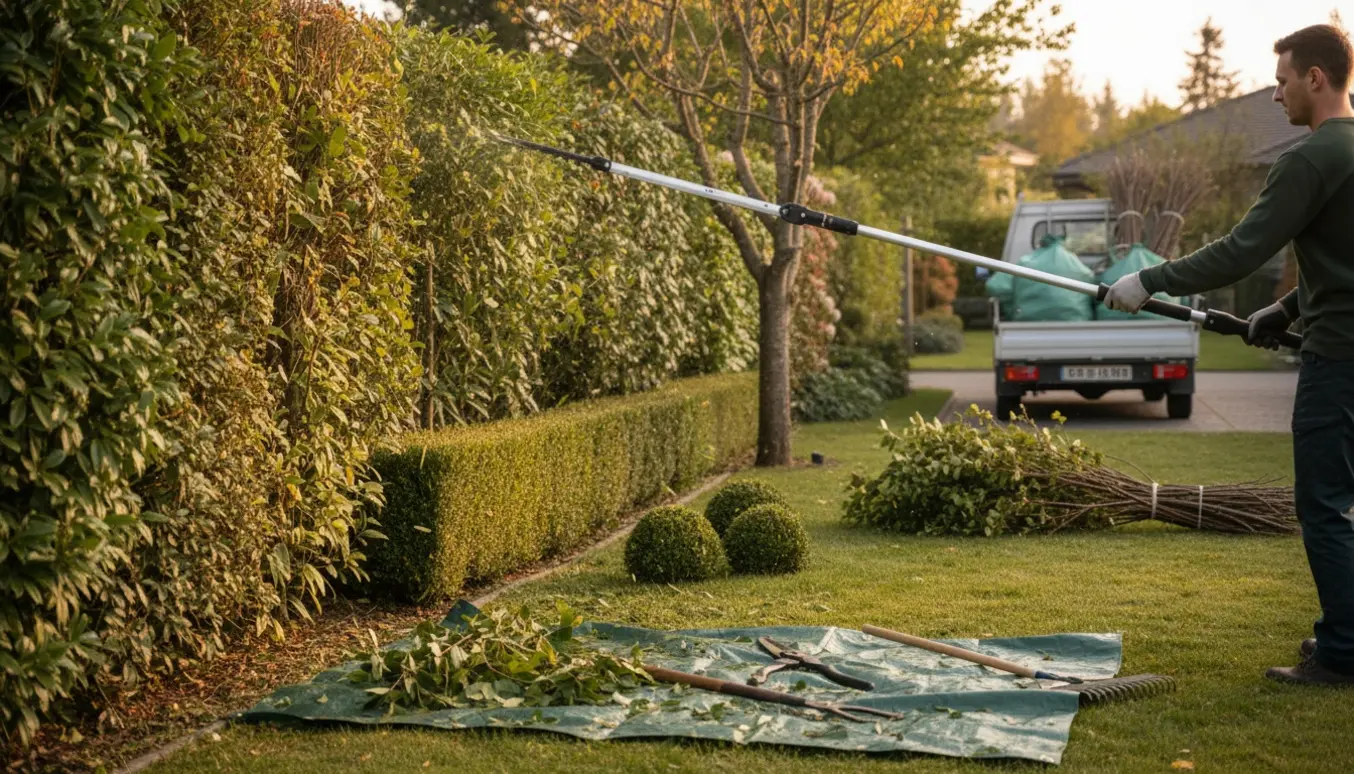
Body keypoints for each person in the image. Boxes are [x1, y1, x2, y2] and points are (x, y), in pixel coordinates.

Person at [1104, 23, 1354, 686]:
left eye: (1281, 80)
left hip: (1341, 357)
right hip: (1338, 336)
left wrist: (1149, 278)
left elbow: (1243, 250)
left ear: (1316, 79)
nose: (1275, 95)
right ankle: (1347, 631)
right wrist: (1287, 307)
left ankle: (1344, 654)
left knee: (1324, 503)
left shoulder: (1310, 159)